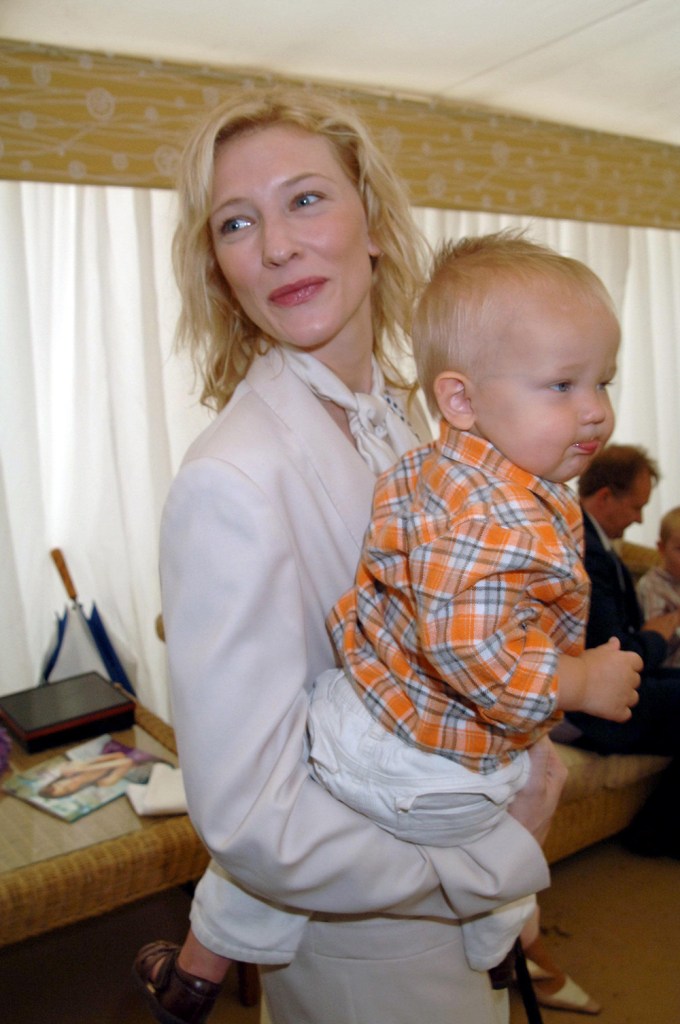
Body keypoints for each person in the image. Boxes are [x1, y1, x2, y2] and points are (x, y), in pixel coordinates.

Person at [132, 87, 566, 1024]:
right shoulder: (232, 480)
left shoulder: (409, 422)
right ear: (220, 268)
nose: (278, 245)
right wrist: (493, 854)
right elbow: (255, 821)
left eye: (306, 199)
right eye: (238, 222)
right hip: (370, 958)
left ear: (372, 220)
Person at [305, 232, 640, 985]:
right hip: (424, 769)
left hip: (363, 701)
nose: (595, 414)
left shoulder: (440, 461)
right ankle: (499, 926)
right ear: (460, 397)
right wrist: (579, 682)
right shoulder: (502, 520)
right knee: (524, 803)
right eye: (563, 386)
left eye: (603, 383)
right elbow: (467, 651)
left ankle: (223, 928)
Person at [565, 443, 680, 858]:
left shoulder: (596, 544)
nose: (640, 519)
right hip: (586, 704)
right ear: (605, 497)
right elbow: (611, 652)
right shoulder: (585, 550)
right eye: (636, 506)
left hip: (607, 684)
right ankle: (655, 834)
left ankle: (658, 829)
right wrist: (657, 635)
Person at [636, 506, 680, 667]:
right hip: (668, 668)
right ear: (661, 548)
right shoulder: (652, 585)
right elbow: (655, 637)